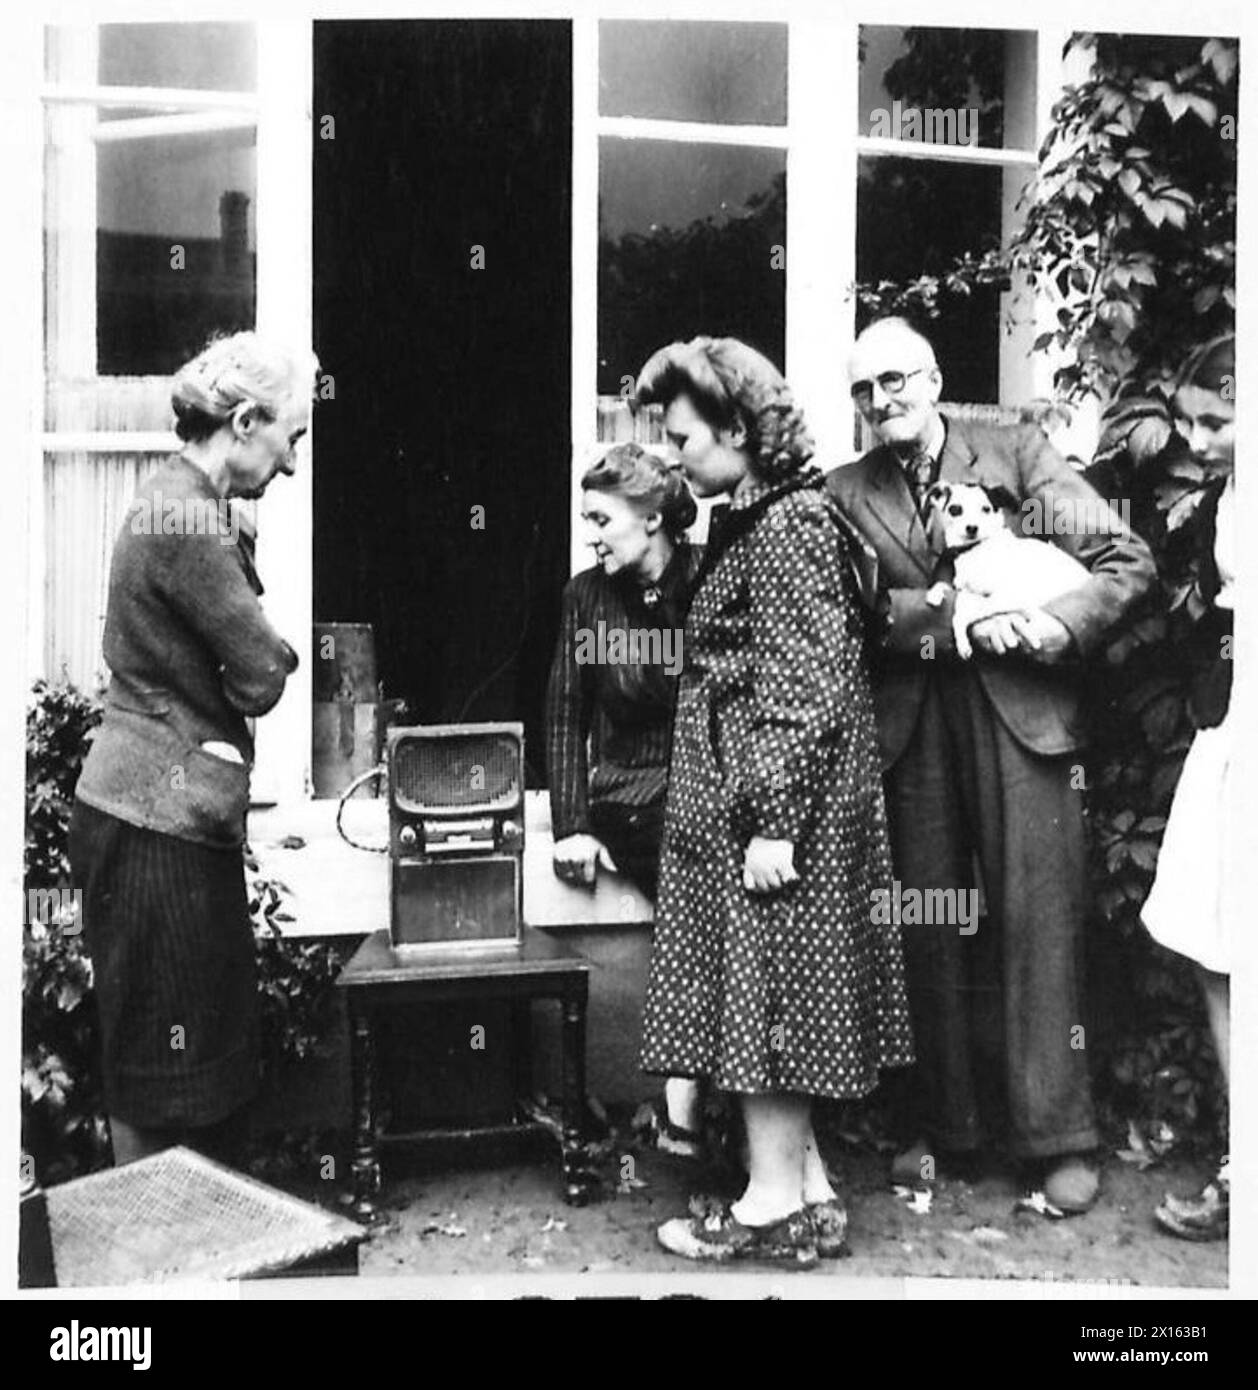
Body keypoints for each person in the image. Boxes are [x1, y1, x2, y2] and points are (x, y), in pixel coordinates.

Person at [827, 317, 1156, 1213]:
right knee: (929, 921)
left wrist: (1056, 626)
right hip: (912, 724)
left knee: (1036, 916)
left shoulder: (1013, 450)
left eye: (894, 379)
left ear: (933, 379)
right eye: (862, 389)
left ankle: (1057, 1136)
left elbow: (1126, 561)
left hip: (1024, 708)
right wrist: (952, 622)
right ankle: (945, 1128)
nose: (880, 400)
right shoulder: (845, 491)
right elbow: (849, 612)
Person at [635, 337, 913, 1265]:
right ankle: (810, 1185)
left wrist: (772, 824)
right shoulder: (760, 516)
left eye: (681, 437)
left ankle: (772, 1207)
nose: (671, 455)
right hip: (767, 799)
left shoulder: (789, 525)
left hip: (780, 810)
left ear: (739, 430)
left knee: (771, 999)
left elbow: (800, 688)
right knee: (775, 994)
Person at [70, 331, 316, 1166]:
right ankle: (155, 1261)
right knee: (158, 1068)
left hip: (164, 819)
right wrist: (272, 650)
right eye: (294, 437)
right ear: (246, 422)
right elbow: (260, 675)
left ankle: (181, 1251)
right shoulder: (186, 515)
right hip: (153, 829)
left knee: (189, 1059)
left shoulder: (187, 502)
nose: (291, 464)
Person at [546, 442, 706, 1154]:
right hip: (634, 800)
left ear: (651, 519)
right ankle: (694, 1101)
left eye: (602, 518)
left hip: (709, 789)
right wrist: (572, 825)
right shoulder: (587, 596)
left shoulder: (708, 579)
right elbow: (565, 715)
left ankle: (705, 1104)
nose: (591, 533)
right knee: (705, 887)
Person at [1142, 335, 1235, 1242]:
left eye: (1217, 421)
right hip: (1230, 732)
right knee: (1216, 942)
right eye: (1191, 421)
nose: (1196, 439)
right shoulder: (1220, 504)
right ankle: (1243, 1159)